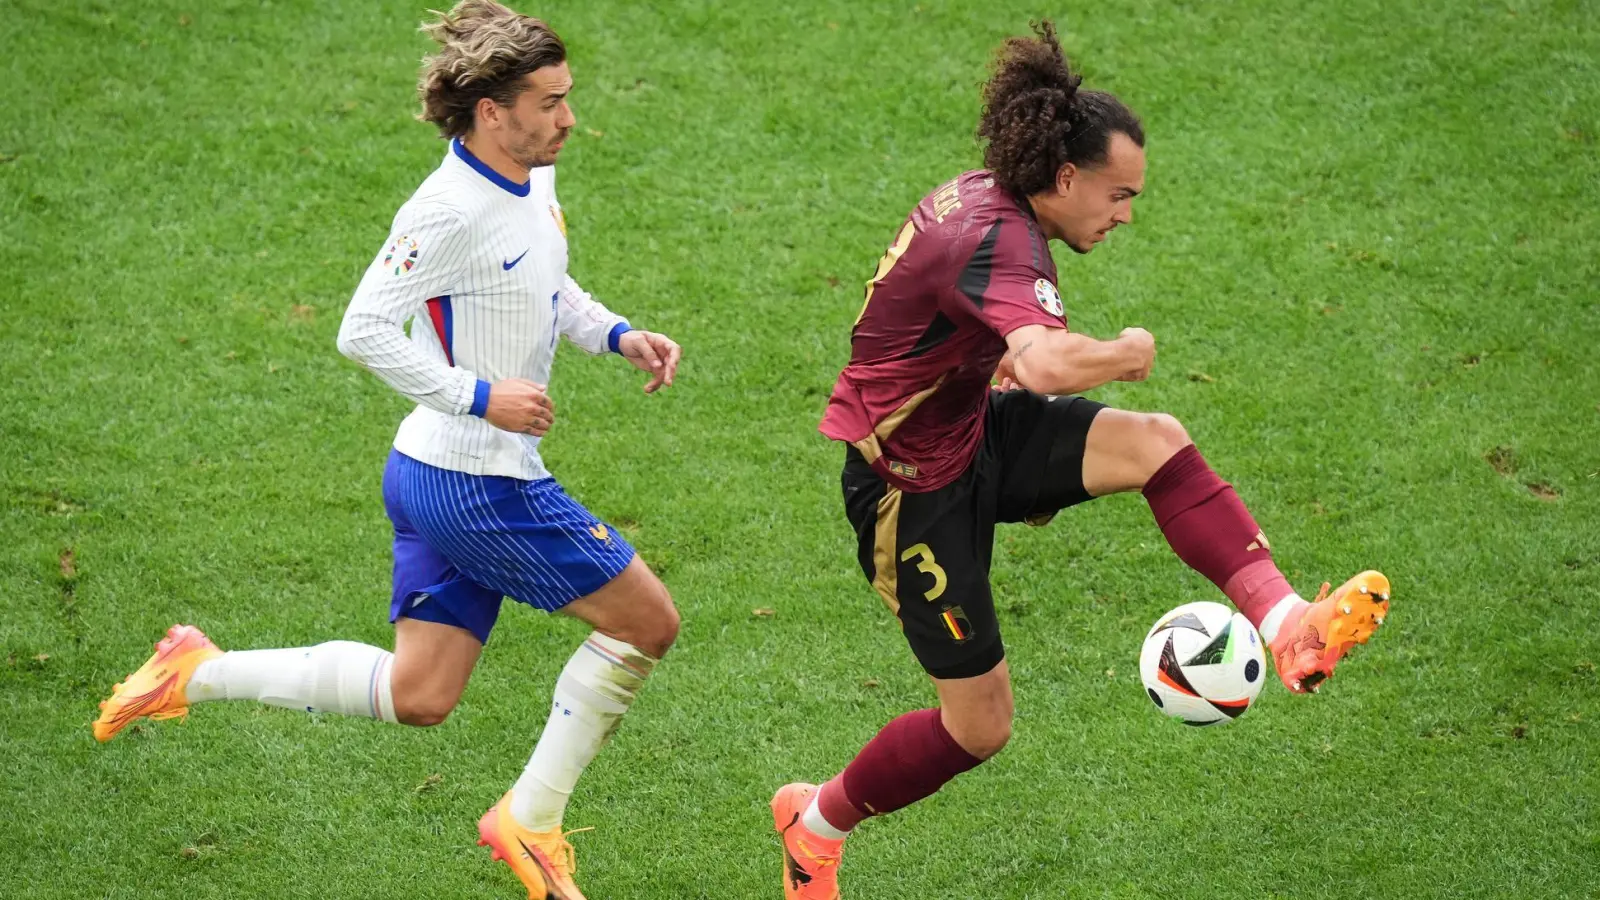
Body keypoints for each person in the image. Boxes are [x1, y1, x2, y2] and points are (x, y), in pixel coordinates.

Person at [771, 22, 1390, 899]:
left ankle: (1288, 619)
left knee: (1155, 441)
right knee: (980, 727)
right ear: (1065, 176)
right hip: (907, 493)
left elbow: (1007, 365)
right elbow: (1040, 363)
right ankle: (816, 823)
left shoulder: (996, 203)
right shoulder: (997, 239)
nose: (1127, 214)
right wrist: (1125, 349)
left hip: (969, 427)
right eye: (1120, 193)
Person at [91, 4, 682, 897]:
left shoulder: (531, 175)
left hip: (432, 475)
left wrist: (617, 334)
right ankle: (530, 818)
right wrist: (479, 394)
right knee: (648, 623)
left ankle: (195, 671)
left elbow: (543, 284)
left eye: (568, 99)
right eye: (551, 103)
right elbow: (362, 330)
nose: (568, 119)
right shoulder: (445, 209)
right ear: (492, 111)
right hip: (475, 481)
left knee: (420, 695)